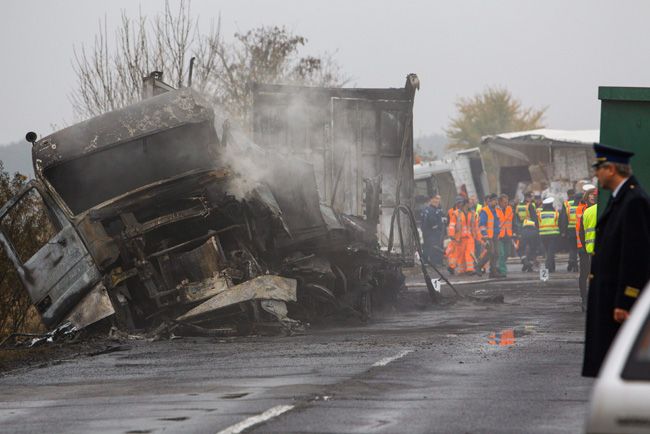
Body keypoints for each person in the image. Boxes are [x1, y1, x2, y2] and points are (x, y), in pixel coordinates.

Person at [583, 144, 650, 378]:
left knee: (618, 367)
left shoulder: (633, 201)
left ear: (611, 169)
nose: (596, 174)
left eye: (599, 168)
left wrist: (626, 299)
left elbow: (635, 256)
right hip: (609, 298)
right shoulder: (619, 199)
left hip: (617, 303)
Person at [577, 186, 597, 312]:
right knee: (584, 274)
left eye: (594, 195)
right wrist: (583, 246)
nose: (592, 197)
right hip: (583, 246)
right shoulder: (581, 209)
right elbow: (579, 230)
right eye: (590, 195)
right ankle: (584, 300)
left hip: (589, 246)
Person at [446, 196, 476, 274]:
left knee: (469, 253)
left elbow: (475, 225)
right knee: (460, 255)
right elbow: (452, 225)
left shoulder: (472, 213)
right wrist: (451, 235)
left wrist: (478, 237)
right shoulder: (456, 213)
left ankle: (470, 269)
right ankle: (461, 269)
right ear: (466, 204)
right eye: (470, 203)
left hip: (469, 237)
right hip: (460, 238)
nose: (472, 204)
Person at [478, 194, 502, 277]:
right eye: (494, 200)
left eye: (496, 200)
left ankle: (493, 272)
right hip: (488, 236)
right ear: (490, 201)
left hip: (495, 235)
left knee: (496, 253)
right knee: (491, 252)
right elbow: (482, 224)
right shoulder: (485, 211)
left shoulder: (496, 210)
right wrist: (485, 235)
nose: (496, 202)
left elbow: (498, 223)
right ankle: (478, 266)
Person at [420, 194, 445, 266]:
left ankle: (435, 262)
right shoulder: (429, 209)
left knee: (432, 246)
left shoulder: (438, 209)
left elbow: (442, 218)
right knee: (433, 246)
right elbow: (431, 221)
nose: (437, 201)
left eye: (438, 199)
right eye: (435, 199)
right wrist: (435, 226)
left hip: (433, 231)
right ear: (431, 200)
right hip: (431, 232)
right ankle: (434, 262)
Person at [538, 197, 560, 272]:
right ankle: (548, 266)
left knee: (548, 251)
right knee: (551, 251)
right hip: (553, 234)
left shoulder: (540, 214)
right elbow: (559, 223)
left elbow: (537, 224)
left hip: (543, 234)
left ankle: (552, 267)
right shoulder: (556, 213)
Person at [496, 194, 513, 277]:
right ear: (500, 202)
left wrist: (515, 232)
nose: (506, 203)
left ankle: (499, 266)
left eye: (507, 202)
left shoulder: (510, 209)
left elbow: (513, 221)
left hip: (508, 235)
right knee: (501, 254)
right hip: (499, 236)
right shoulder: (495, 210)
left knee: (507, 253)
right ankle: (503, 271)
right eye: (504, 202)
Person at [564, 192, 579, 272]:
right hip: (579, 231)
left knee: (572, 248)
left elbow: (565, 221)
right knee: (578, 249)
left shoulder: (568, 209)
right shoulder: (583, 208)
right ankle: (575, 265)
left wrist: (565, 232)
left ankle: (572, 261)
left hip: (570, 231)